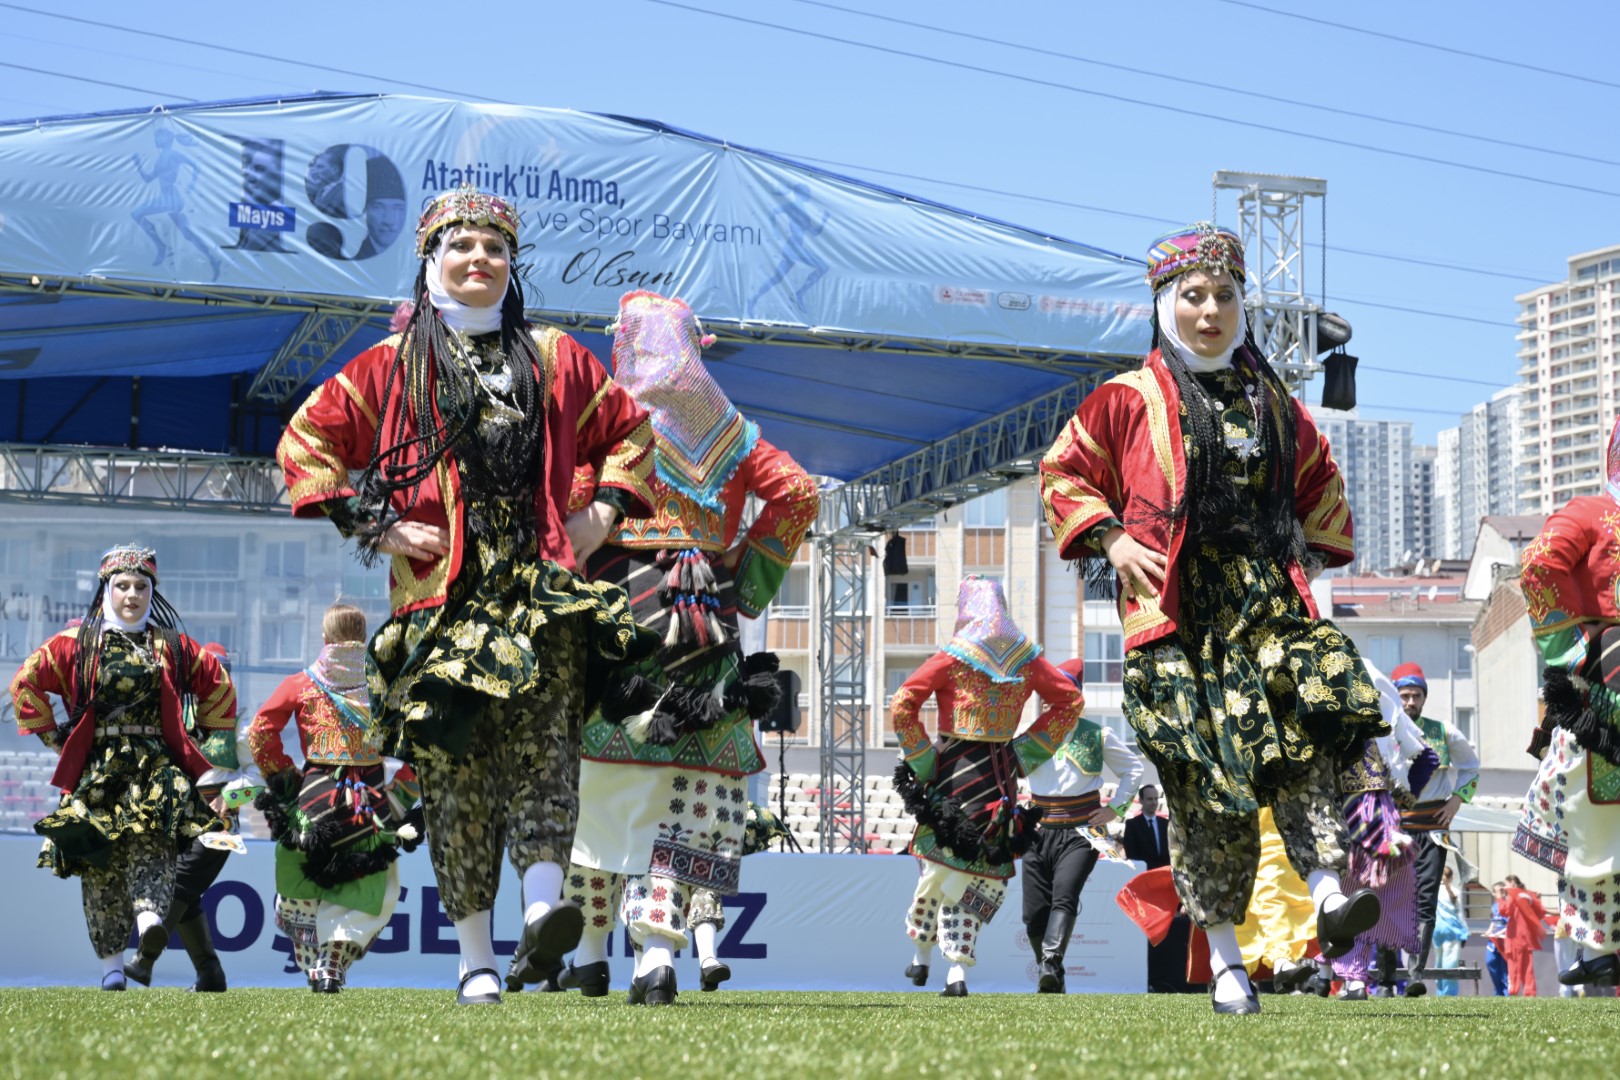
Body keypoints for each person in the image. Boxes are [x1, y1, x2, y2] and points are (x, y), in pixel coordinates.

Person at [277, 184, 658, 1005]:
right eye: (462, 247)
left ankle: (545, 918)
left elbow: (632, 430)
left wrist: (603, 509)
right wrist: (380, 529)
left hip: (540, 591)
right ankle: (477, 959)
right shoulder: (389, 365)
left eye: (494, 250)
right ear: (430, 262)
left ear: (511, 267)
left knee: (547, 758)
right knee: (458, 777)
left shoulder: (556, 356)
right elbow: (306, 442)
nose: (479, 259)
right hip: (439, 603)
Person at [1038, 222, 1389, 1014]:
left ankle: (1331, 897)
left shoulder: (1275, 403)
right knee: (1206, 789)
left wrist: (1312, 556)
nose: (1210, 312)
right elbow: (1062, 470)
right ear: (1165, 305)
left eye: (1225, 297)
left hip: (1264, 606)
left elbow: (1320, 486)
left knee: (1302, 749)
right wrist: (1113, 538)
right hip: (1178, 617)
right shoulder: (1124, 401)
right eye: (1193, 297)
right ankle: (1227, 966)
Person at [557, 290, 819, 1005]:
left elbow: (568, 506)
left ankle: (586, 952)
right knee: (690, 789)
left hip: (619, 607)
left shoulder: (610, 426)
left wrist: (583, 559)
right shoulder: (731, 432)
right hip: (708, 616)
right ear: (694, 346)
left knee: (600, 785)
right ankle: (657, 956)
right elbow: (797, 494)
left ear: (625, 345)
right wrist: (745, 572)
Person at [8, 545, 237, 989]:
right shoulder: (76, 643)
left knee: (154, 845)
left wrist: (201, 748)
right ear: (106, 590)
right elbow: (25, 684)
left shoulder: (171, 646)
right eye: (123, 586)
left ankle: (150, 920)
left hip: (155, 766)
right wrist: (58, 740)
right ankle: (113, 969)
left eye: (141, 587)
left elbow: (219, 686)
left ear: (153, 592)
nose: (132, 595)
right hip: (98, 770)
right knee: (99, 864)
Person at [892, 576, 1082, 997]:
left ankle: (921, 953)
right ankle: (956, 969)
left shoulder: (950, 658)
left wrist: (923, 759)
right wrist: (1024, 752)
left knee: (936, 862)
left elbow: (903, 701)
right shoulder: (1025, 660)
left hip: (952, 775)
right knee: (980, 874)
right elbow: (1070, 701)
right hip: (999, 781)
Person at [248, 603, 422, 992]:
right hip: (370, 804)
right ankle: (332, 962)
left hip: (314, 801)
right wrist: (402, 792)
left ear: (325, 639)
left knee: (303, 878)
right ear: (364, 637)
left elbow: (260, 731)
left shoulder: (301, 683)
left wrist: (286, 780)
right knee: (367, 885)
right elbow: (420, 739)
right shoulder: (387, 686)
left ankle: (314, 963)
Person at [1518, 463, 1620, 990]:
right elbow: (1538, 564)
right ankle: (1601, 948)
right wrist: (1576, 650)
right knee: (1593, 816)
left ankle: (1602, 950)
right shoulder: (1590, 514)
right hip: (1604, 679)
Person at [124, 640, 241, 992]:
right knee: (187, 895)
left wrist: (231, 797)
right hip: (181, 821)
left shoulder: (242, 728)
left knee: (179, 885)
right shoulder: (176, 722)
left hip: (220, 828)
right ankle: (210, 974)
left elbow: (258, 781)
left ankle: (145, 961)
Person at [1022, 658, 1143, 993]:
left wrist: (1115, 809)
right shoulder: (1030, 736)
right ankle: (1052, 973)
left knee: (1065, 895)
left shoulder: (1097, 734)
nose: (1051, 700)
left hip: (1082, 831)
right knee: (1033, 913)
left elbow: (1133, 769)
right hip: (1037, 831)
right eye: (1047, 693)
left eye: (1059, 691)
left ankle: (1049, 963)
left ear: (1075, 695)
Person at [1333, 661, 1438, 1000]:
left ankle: (1353, 978)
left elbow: (1429, 758)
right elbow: (1427, 759)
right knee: (1360, 895)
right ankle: (1347, 977)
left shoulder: (1374, 724)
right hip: (1369, 816)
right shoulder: (1382, 725)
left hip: (1361, 817)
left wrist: (1402, 795)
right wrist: (1402, 795)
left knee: (1354, 893)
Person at [1388, 662, 1480, 995]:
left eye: (1416, 695)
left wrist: (1457, 800)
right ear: (1395, 697)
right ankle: (1386, 977)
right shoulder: (1384, 733)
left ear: (1424, 697)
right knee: (1390, 898)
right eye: (1405, 696)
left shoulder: (1444, 731)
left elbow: (1471, 767)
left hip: (1432, 829)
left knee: (1425, 899)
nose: (1411, 702)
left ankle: (1414, 975)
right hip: (1394, 828)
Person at [1501, 874, 1547, 996]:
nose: (1504, 887)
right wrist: (1538, 898)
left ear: (1512, 884)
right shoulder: (1528, 895)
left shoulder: (1513, 895)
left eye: (1506, 884)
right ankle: (1529, 993)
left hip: (1515, 937)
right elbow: (1540, 912)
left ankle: (1513, 991)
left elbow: (1505, 911)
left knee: (1514, 967)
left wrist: (1501, 898)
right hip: (1527, 937)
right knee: (1527, 968)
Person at [1432, 865, 1469, 997]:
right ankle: (1449, 992)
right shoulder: (1454, 891)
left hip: (1436, 931)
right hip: (1452, 930)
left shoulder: (1432, 891)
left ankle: (1440, 991)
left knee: (1439, 961)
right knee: (1451, 961)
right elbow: (1459, 914)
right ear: (1451, 877)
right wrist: (1466, 932)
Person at [1483, 883, 1510, 996]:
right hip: (1493, 941)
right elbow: (1494, 921)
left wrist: (1501, 932)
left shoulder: (1508, 905)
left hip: (1504, 941)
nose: (1501, 893)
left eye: (1502, 890)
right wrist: (1489, 931)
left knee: (1505, 969)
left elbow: (1511, 923)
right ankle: (1498, 990)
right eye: (1498, 891)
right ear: (1494, 893)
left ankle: (1505, 992)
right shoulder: (1494, 906)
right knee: (1490, 962)